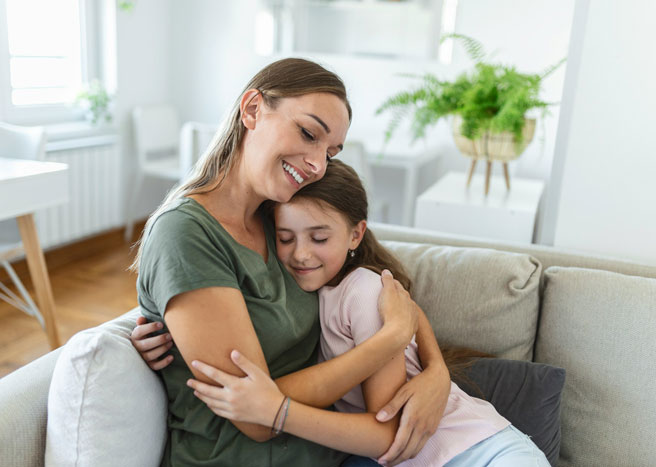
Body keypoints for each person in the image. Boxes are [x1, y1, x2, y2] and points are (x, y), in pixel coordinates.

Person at [130, 58, 451, 467]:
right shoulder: (185, 234)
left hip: (332, 453)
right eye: (308, 133)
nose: (318, 164)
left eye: (331, 151)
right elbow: (255, 417)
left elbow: (378, 280)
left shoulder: (282, 219)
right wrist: (388, 341)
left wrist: (436, 372)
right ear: (252, 110)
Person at [183, 160, 552, 466]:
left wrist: (277, 411)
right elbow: (222, 311)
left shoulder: (361, 289)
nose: (301, 254)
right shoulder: (295, 286)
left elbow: (387, 425)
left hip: (478, 450)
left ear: (355, 235)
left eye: (320, 238)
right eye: (285, 238)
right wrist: (161, 330)